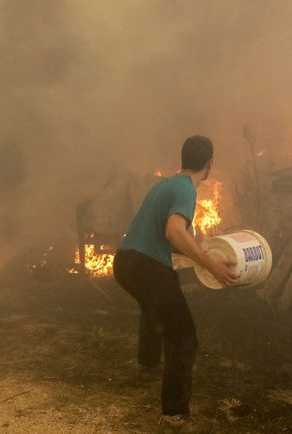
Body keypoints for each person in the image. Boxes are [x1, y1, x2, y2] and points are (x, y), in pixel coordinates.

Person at [113, 135, 239, 432]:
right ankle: (175, 415)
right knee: (183, 337)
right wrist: (212, 266)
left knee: (153, 308)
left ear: (183, 158)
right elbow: (173, 232)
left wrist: (206, 252)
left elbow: (168, 234)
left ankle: (147, 366)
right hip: (147, 267)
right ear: (209, 164)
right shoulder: (186, 190)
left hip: (125, 262)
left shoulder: (165, 184)